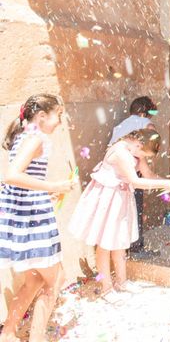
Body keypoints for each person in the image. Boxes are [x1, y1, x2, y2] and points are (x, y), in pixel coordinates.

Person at [69, 129, 170, 303]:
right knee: (105, 244)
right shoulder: (120, 152)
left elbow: (149, 176)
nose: (142, 156)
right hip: (108, 198)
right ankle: (106, 288)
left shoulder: (135, 152)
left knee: (119, 241)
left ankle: (122, 281)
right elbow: (135, 181)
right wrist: (164, 183)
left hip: (121, 198)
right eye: (143, 153)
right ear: (138, 144)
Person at [0, 94, 77, 342]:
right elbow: (11, 176)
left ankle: (9, 333)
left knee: (33, 280)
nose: (60, 122)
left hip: (24, 215)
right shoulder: (36, 138)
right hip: (33, 219)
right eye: (58, 115)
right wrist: (55, 185)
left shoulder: (24, 136)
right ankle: (37, 337)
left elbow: (22, 181)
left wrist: (48, 192)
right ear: (42, 116)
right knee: (55, 281)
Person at [109, 96, 157, 259]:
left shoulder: (119, 127)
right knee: (135, 208)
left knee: (123, 212)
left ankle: (125, 248)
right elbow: (152, 135)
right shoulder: (144, 124)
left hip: (115, 175)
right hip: (132, 171)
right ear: (144, 112)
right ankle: (136, 248)